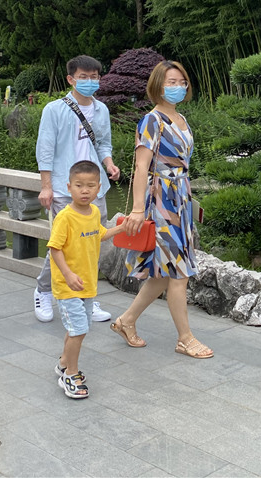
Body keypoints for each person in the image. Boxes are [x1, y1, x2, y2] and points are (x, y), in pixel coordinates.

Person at [110, 60, 213, 359]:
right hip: (162, 201)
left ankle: (126, 321)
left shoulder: (181, 118)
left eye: (182, 82)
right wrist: (138, 210)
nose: (178, 87)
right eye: (171, 82)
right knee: (178, 271)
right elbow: (141, 167)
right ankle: (185, 338)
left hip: (180, 197)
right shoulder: (152, 121)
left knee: (164, 273)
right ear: (158, 85)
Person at [33, 55, 119, 323]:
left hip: (95, 187)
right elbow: (45, 149)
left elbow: (103, 143)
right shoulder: (54, 109)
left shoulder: (101, 109)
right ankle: (44, 290)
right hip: (64, 186)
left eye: (94, 77)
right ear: (71, 79)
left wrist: (109, 163)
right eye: (84, 77)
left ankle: (86, 297)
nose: (90, 82)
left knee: (92, 242)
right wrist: (46, 186)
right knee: (64, 244)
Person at [48, 160, 125, 399]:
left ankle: (63, 363)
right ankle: (70, 374)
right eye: (79, 185)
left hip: (87, 284)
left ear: (99, 188)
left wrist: (122, 228)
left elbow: (100, 234)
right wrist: (68, 274)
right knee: (79, 329)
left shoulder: (94, 213)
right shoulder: (65, 217)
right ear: (69, 187)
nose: (84, 190)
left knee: (78, 328)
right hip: (68, 285)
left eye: (90, 186)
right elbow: (54, 248)